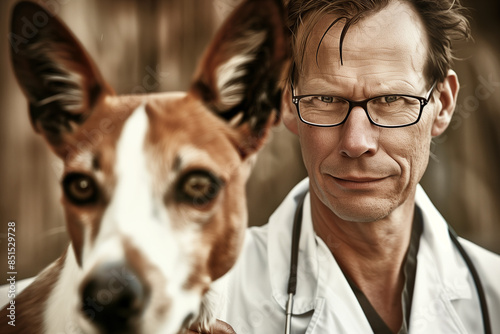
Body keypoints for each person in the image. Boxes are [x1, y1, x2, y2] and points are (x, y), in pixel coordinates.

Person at [187, 0, 500, 333]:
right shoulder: (204, 297)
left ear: (444, 104)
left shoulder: (493, 294)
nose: (356, 142)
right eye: (326, 99)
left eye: (391, 99)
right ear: (287, 103)